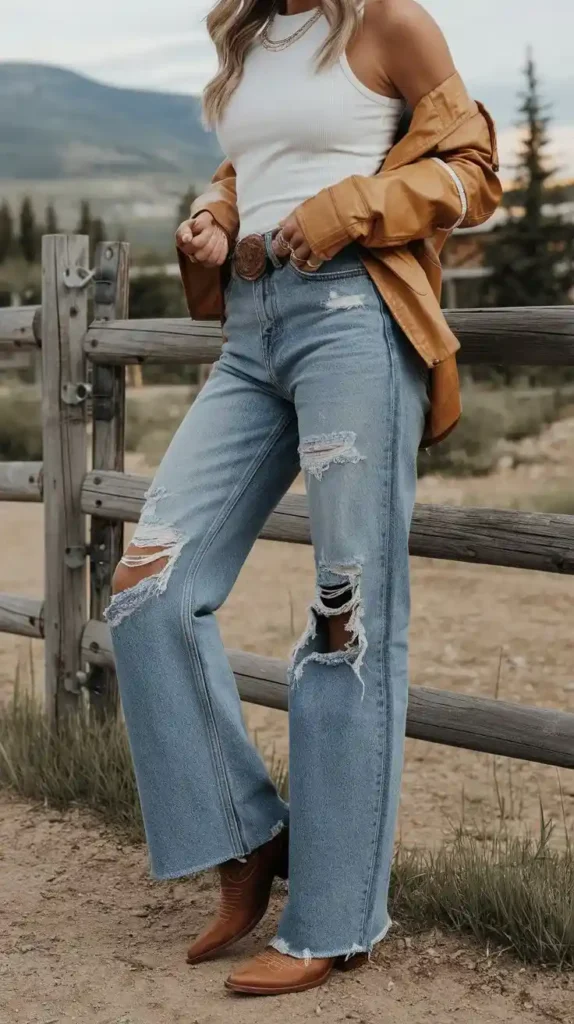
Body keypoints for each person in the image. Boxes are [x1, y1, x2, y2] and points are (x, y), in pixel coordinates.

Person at [106, 0, 501, 997]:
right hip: (252, 330)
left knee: (346, 620)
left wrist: (348, 207)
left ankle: (334, 915)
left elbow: (473, 171)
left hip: (352, 320)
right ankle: (245, 835)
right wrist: (218, 212)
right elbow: (260, 164)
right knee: (148, 588)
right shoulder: (246, 37)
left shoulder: (386, 21)